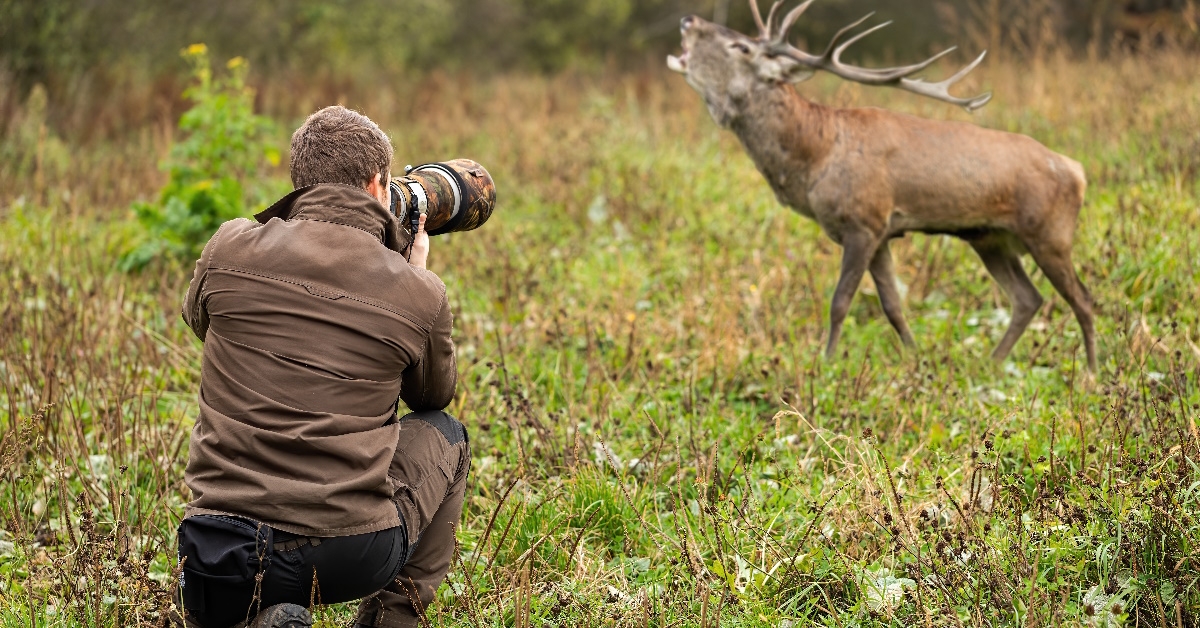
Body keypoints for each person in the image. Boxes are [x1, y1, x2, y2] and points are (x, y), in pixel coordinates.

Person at [175, 105, 470, 628]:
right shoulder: (416, 292)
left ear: (299, 182)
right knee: (446, 434)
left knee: (221, 600)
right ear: (379, 184)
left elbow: (203, 322)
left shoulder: (227, 245)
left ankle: (252, 617)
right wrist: (411, 276)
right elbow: (432, 398)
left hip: (217, 546)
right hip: (345, 553)